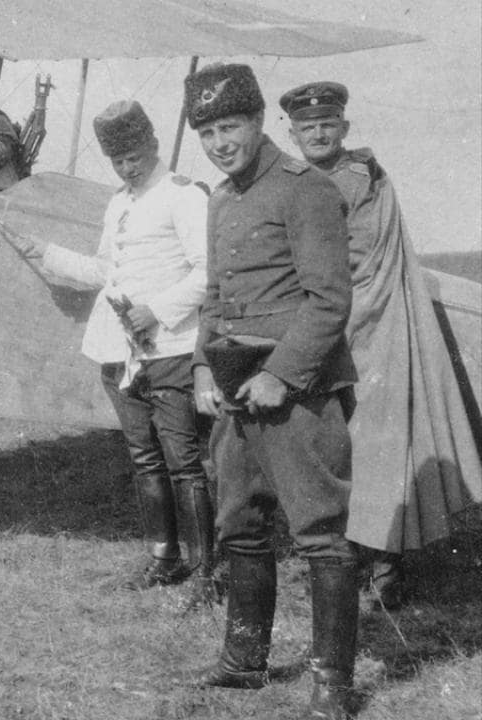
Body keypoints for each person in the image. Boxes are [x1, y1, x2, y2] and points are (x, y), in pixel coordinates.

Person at [182, 63, 360, 720]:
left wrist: (280, 375)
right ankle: (243, 660)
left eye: (229, 126)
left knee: (319, 533)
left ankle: (333, 682)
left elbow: (328, 302)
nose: (219, 142)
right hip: (234, 391)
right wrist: (204, 365)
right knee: (240, 526)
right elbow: (215, 296)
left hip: (298, 392)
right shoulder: (222, 199)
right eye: (206, 131)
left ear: (258, 122)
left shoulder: (304, 189)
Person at [280, 81, 482, 611]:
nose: (318, 133)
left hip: (371, 332)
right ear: (293, 133)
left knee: (377, 446)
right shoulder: (301, 180)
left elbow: (358, 262)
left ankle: (386, 567)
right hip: (328, 329)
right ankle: (347, 559)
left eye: (328, 124)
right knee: (333, 445)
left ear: (344, 128)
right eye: (307, 127)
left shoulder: (357, 178)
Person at [21, 100, 217, 604]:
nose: (129, 167)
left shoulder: (184, 197)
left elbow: (208, 272)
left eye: (135, 156)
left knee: (184, 461)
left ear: (153, 145)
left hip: (170, 348)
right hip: (120, 353)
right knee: (144, 458)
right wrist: (46, 253)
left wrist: (158, 309)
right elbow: (106, 270)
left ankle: (206, 572)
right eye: (119, 161)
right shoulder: (120, 203)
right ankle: (163, 557)